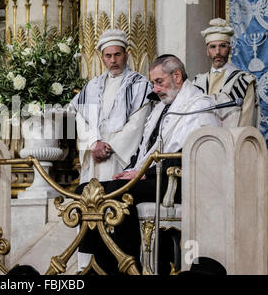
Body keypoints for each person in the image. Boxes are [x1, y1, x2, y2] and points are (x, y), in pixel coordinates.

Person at [75, 55, 221, 274]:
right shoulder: (161, 108)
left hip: (178, 181)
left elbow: (193, 155)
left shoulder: (199, 105)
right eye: (153, 83)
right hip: (154, 175)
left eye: (159, 82)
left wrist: (144, 173)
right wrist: (132, 170)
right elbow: (145, 149)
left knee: (116, 195)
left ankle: (123, 267)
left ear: (177, 76)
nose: (155, 88)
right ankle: (99, 264)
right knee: (85, 191)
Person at [69, 29, 152, 270]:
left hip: (119, 161)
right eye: (108, 56)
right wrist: (93, 143)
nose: (113, 60)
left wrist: (111, 146)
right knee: (89, 214)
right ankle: (89, 268)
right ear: (102, 58)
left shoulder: (140, 84)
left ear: (126, 54)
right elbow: (79, 118)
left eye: (117, 54)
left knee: (117, 213)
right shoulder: (92, 86)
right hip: (94, 162)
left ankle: (118, 266)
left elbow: (139, 122)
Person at [192, 18, 258, 127]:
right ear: (207, 51)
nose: (217, 52)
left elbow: (246, 123)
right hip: (202, 141)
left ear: (230, 50)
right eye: (213, 47)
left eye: (222, 46)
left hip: (231, 141)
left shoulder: (243, 81)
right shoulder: (196, 82)